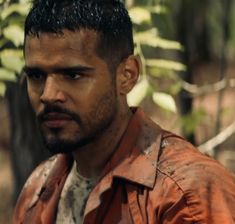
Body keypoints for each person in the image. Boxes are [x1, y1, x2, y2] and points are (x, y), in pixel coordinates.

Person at [13, 0, 235, 223]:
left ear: (127, 75)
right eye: (36, 76)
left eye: (73, 75)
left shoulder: (186, 194)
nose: (48, 95)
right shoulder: (38, 189)